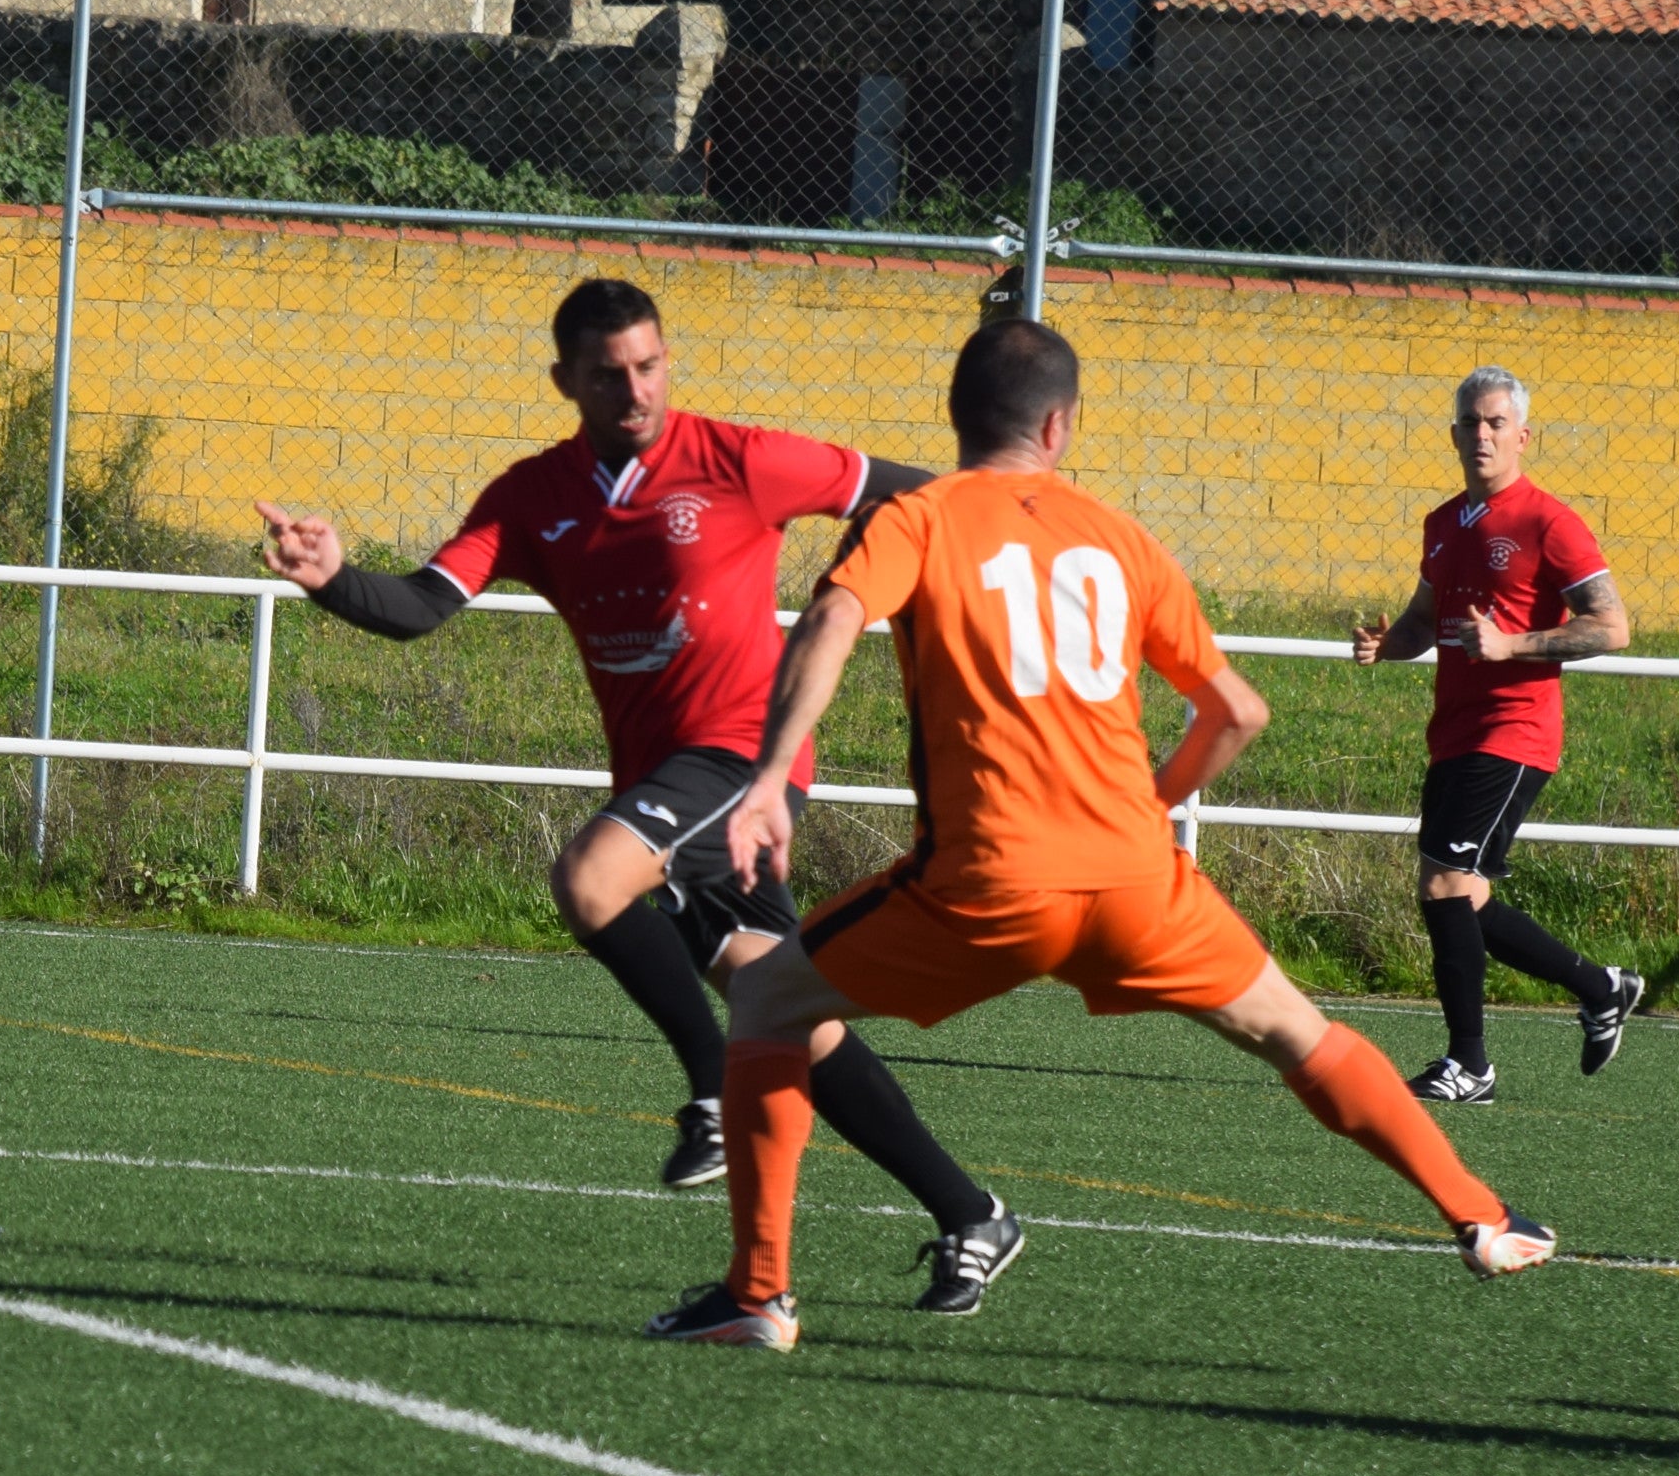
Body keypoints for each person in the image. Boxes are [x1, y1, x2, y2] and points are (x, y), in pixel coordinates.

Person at [660, 314, 1556, 1351]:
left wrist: (771, 774)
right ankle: (1480, 1216)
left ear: (956, 417)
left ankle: (755, 1295)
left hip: (990, 880)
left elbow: (826, 620)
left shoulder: (922, 515)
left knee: (768, 994)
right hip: (1139, 882)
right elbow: (1237, 712)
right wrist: (1154, 796)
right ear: (1061, 425)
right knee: (1297, 1035)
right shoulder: (1119, 536)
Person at [257, 277, 1012, 1304]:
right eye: (609, 374)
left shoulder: (738, 458)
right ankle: (967, 1210)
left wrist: (951, 559)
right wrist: (333, 577)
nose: (635, 389)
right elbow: (423, 605)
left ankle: (706, 1086)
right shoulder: (530, 496)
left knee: (589, 879)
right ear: (564, 379)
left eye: (649, 365)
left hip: (743, 761)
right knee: (782, 1010)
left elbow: (914, 494)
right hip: (668, 782)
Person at [1350, 367, 1645, 1102]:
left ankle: (1470, 1065)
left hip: (1515, 733)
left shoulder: (1551, 521)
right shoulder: (1445, 522)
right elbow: (1424, 619)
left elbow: (1612, 627)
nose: (1481, 436)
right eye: (1470, 424)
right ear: (1453, 435)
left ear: (1522, 434)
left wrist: (1511, 647)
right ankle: (1600, 988)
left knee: (1444, 884)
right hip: (1454, 731)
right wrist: (1388, 644)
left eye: (1495, 424)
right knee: (1461, 894)